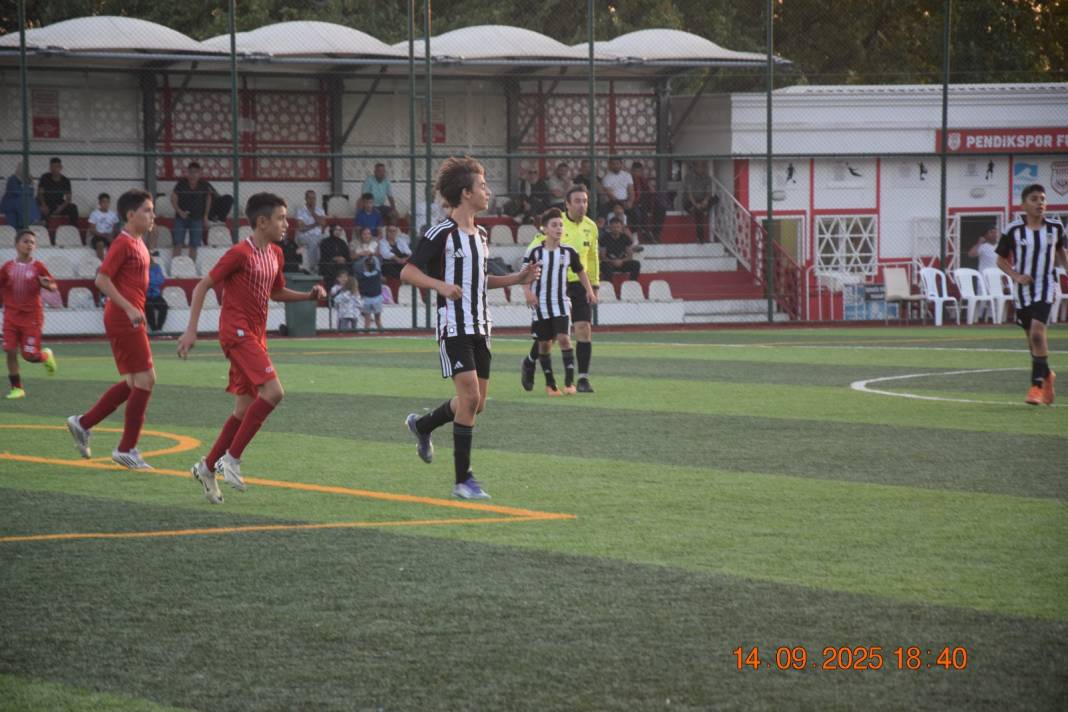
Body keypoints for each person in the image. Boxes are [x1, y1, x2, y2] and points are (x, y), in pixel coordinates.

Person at [401, 156, 540, 500]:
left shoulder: (479, 235)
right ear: (465, 193)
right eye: (482, 185)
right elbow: (408, 272)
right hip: (454, 326)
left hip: (482, 326)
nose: (488, 191)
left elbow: (480, 281)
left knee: (475, 405)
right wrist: (440, 286)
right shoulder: (440, 233)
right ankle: (464, 480)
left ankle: (422, 425)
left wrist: (516, 279)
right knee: (471, 398)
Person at [178, 192, 326, 505]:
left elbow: (276, 291)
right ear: (262, 221)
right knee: (274, 393)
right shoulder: (239, 253)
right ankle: (231, 459)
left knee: (243, 410)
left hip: (256, 337)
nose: (286, 224)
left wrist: (306, 296)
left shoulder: (275, 254)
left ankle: (206, 467)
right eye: (281, 218)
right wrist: (191, 331)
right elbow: (204, 285)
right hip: (237, 333)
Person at [66, 189, 157, 470]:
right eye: (147, 210)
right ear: (130, 215)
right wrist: (130, 308)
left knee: (135, 383)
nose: (152, 215)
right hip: (123, 318)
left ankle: (83, 423)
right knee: (146, 381)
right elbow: (101, 280)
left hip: (126, 318)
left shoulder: (139, 243)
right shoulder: (123, 243)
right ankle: (126, 448)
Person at [521, 184, 599, 393]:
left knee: (583, 329)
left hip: (579, 286)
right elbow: (535, 248)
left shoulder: (591, 227)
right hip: (554, 285)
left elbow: (592, 258)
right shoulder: (556, 222)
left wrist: (594, 285)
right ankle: (530, 361)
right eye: (577, 201)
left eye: (585, 201)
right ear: (567, 204)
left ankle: (581, 379)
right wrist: (529, 281)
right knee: (550, 338)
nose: (582, 205)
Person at [995, 184, 1068, 406]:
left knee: (1038, 334)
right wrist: (1016, 276)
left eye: (1043, 199)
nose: (1040, 203)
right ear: (1023, 204)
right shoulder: (1013, 230)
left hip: (1045, 286)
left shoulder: (1055, 227)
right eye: (1034, 199)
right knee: (1032, 340)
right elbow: (1001, 260)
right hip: (1022, 292)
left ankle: (1036, 386)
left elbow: (1061, 254)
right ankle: (1047, 376)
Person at [1, 229, 58, 399]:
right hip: (11, 316)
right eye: (26, 241)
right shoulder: (8, 267)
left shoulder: (38, 267)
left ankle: (45, 355)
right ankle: (17, 388)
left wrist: (47, 285)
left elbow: (53, 286)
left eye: (32, 242)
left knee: (30, 356)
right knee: (10, 350)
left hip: (32, 317)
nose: (29, 245)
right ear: (17, 245)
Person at [169, 161, 213, 261]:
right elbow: (173, 197)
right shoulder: (181, 183)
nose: (193, 175)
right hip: (181, 217)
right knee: (178, 243)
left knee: (194, 245)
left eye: (195, 172)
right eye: (191, 172)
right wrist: (179, 211)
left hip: (197, 218)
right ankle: (175, 267)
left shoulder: (204, 184)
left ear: (200, 173)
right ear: (187, 173)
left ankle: (191, 267)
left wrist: (205, 216)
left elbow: (208, 199)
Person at [37, 157, 79, 230]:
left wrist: (61, 207)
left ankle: (72, 229)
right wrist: (43, 205)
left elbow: (68, 198)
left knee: (73, 208)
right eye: (53, 167)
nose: (55, 169)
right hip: (46, 202)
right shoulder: (45, 177)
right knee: (37, 205)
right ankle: (44, 228)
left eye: (57, 167)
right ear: (50, 168)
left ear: (61, 168)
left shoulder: (65, 180)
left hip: (58, 203)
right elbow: (40, 193)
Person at [683, 160, 717, 244]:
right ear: (695, 167)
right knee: (698, 212)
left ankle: (704, 209)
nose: (702, 169)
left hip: (702, 200)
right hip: (689, 201)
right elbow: (689, 194)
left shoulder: (707, 178)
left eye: (703, 167)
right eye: (699, 166)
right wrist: (696, 204)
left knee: (716, 198)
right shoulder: (689, 177)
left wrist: (705, 201)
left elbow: (708, 192)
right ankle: (700, 238)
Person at [294, 189, 327, 272]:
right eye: (310, 198)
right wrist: (316, 224)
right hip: (304, 236)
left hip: (318, 235)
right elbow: (302, 229)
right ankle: (313, 267)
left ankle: (325, 266)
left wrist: (313, 213)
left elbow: (323, 224)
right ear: (306, 199)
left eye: (314, 198)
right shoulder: (300, 211)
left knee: (328, 240)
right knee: (313, 242)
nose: (312, 200)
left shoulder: (320, 210)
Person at [600, 217, 641, 281]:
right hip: (609, 263)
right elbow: (602, 257)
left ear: (621, 227)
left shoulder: (625, 238)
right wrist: (613, 261)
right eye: (614, 227)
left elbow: (630, 256)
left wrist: (621, 261)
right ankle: (609, 286)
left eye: (618, 227)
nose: (616, 229)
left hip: (623, 263)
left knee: (636, 264)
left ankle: (632, 283)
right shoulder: (604, 238)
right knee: (603, 265)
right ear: (610, 227)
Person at [1, 162, 41, 229]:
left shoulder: (29, 179)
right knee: (23, 200)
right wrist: (26, 190)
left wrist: (27, 185)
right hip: (10, 202)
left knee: (30, 200)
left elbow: (32, 192)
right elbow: (16, 192)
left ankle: (33, 221)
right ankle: (31, 221)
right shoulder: (12, 179)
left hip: (22, 201)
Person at [355, 255, 384, 331]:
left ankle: (367, 332)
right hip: (377, 298)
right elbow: (377, 265)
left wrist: (367, 257)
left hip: (366, 299)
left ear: (365, 266)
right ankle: (380, 332)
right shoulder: (377, 274)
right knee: (378, 319)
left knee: (367, 319)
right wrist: (372, 256)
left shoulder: (361, 276)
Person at [87, 193, 120, 260]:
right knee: (100, 244)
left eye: (107, 202)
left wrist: (111, 235)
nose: (105, 204)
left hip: (110, 236)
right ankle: (102, 265)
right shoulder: (94, 214)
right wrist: (103, 235)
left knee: (116, 242)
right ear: (99, 203)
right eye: (103, 202)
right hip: (98, 236)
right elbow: (92, 229)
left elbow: (116, 228)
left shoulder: (113, 214)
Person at [318, 224, 351, 290]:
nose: (338, 232)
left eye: (339, 230)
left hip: (342, 264)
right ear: (331, 231)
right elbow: (324, 255)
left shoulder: (342, 242)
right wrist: (334, 259)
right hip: (329, 264)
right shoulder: (325, 242)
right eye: (336, 230)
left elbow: (347, 255)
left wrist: (343, 259)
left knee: (347, 268)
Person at [144, 252, 168, 333]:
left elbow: (161, 280)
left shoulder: (156, 267)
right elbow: (142, 281)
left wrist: (150, 281)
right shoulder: (140, 268)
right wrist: (152, 281)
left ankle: (159, 328)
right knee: (149, 307)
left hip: (156, 294)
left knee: (164, 306)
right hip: (145, 295)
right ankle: (153, 329)